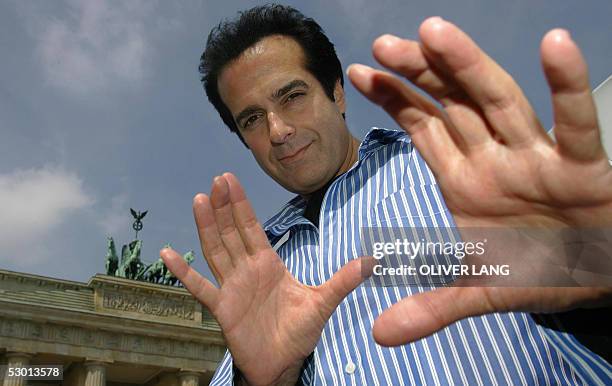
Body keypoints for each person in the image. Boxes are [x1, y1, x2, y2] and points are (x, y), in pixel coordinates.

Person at [161, 4, 612, 385]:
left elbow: (577, 276)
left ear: (336, 92)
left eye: (293, 96)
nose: (278, 131)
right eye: (252, 119)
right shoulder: (262, 269)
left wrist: (592, 265)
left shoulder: (452, 171)